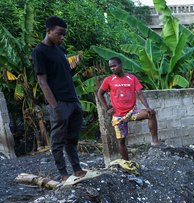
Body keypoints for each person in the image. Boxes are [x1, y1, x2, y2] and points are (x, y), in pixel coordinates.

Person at [32, 16, 86, 182]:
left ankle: (77, 169)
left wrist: (75, 99)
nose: (62, 37)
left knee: (72, 138)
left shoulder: (60, 50)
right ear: (49, 31)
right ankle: (63, 174)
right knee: (58, 140)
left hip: (73, 100)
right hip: (59, 102)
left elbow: (64, 76)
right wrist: (55, 106)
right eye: (59, 34)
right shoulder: (39, 51)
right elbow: (42, 82)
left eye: (64, 34)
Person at [97, 57, 160, 160]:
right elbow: (100, 94)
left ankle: (155, 141)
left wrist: (147, 107)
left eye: (114, 65)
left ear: (121, 65)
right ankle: (127, 162)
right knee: (121, 141)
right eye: (111, 67)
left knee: (151, 114)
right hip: (118, 115)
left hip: (133, 112)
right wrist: (107, 108)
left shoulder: (132, 78)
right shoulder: (109, 80)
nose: (112, 68)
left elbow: (140, 93)